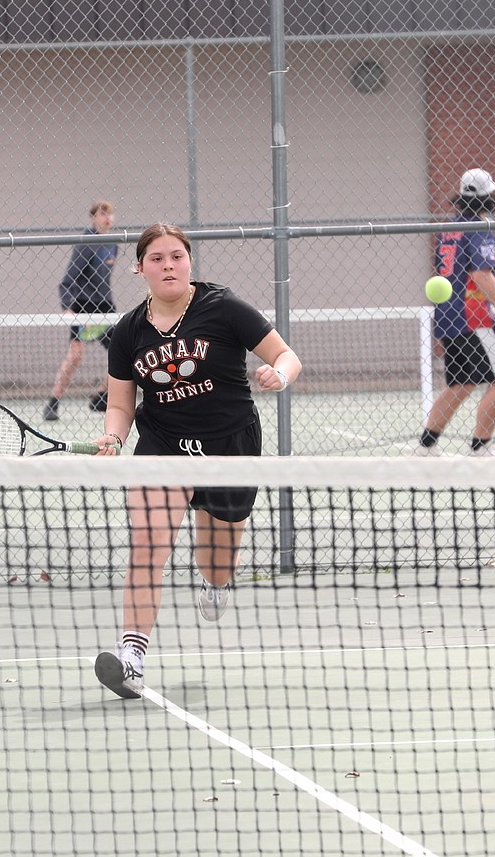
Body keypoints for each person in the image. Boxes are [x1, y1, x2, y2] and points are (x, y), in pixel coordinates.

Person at [88, 222, 302, 699]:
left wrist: (278, 375)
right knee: (147, 544)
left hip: (230, 446)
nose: (169, 265)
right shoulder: (127, 331)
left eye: (177, 256)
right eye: (158, 258)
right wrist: (112, 436)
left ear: (189, 262)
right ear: (140, 268)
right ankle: (132, 658)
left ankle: (216, 582)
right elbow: (121, 404)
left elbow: (286, 355)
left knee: (218, 562)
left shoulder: (222, 308)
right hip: (163, 445)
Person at [416, 169, 495, 458]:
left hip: (447, 316)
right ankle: (480, 446)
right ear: (489, 197)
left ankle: (426, 447)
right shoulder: (480, 229)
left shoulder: (448, 228)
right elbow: (482, 276)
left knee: (460, 383)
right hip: (473, 317)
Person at [42, 200, 118, 421]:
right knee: (75, 356)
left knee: (124, 354)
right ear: (93, 218)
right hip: (84, 307)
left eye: (111, 214)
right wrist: (67, 306)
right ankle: (53, 403)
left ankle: (102, 397)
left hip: (105, 308)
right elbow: (68, 279)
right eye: (103, 214)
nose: (108, 219)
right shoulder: (86, 243)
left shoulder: (113, 243)